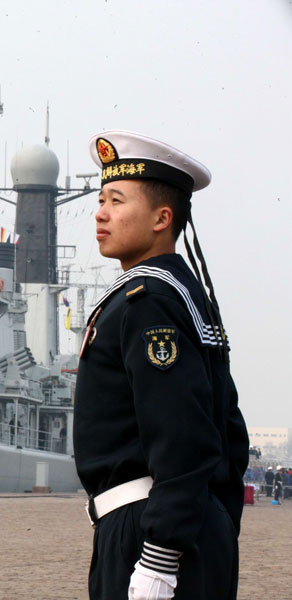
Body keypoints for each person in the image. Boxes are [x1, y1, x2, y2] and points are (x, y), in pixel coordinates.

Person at [74, 131, 248, 600]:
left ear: (161, 218)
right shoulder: (180, 297)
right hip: (181, 526)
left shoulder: (147, 301)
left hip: (149, 530)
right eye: (101, 199)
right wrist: (217, 525)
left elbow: (184, 437)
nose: (100, 212)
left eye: (117, 200)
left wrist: (161, 556)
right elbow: (230, 434)